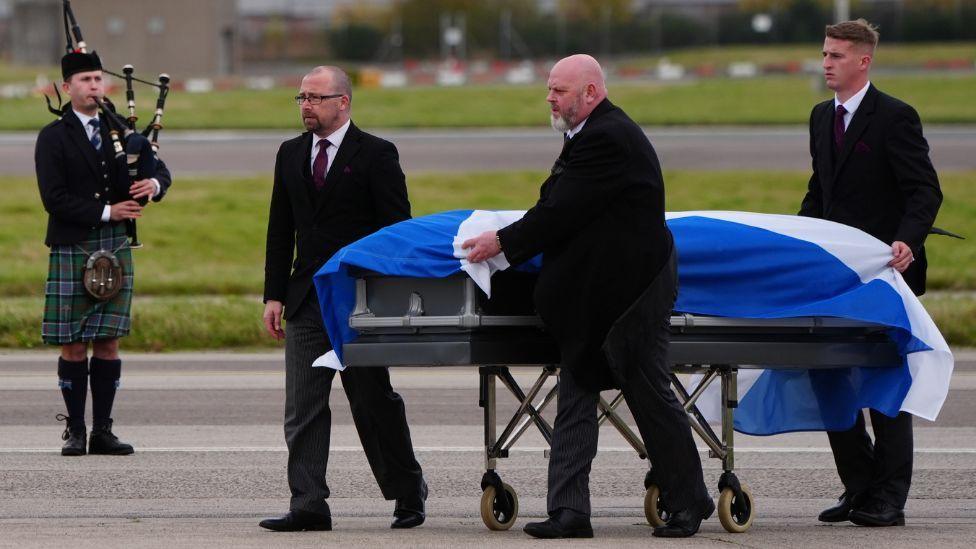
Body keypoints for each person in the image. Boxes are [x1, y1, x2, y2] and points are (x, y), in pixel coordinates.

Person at [463, 54, 712, 539]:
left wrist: (503, 242)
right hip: (594, 301)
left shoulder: (607, 138)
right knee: (576, 395)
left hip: (631, 299)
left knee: (650, 396)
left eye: (559, 90)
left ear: (591, 93)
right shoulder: (582, 136)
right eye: (550, 88)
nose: (550, 98)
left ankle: (690, 500)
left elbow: (559, 211)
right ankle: (570, 511)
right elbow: (560, 208)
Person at [260, 66, 427, 532]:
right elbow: (280, 229)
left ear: (344, 102)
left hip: (359, 301)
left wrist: (390, 294)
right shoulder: (290, 154)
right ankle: (309, 503)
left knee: (371, 400)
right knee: (303, 406)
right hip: (305, 300)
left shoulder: (376, 154)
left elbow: (398, 229)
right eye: (301, 97)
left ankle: (407, 490)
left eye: (316, 97)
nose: (306, 105)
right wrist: (274, 294)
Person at [799, 19, 942, 527]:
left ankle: (889, 497)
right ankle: (859, 486)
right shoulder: (821, 116)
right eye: (824, 54)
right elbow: (821, 191)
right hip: (835, 274)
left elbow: (924, 192)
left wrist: (907, 241)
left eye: (837, 55)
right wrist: (796, 240)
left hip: (885, 272)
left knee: (883, 384)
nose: (826, 63)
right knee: (830, 378)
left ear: (864, 60)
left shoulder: (895, 118)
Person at [37, 51, 172, 457]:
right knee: (74, 344)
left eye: (98, 79)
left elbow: (158, 170)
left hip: (113, 247)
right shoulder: (53, 136)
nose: (94, 86)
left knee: (108, 342)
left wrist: (153, 185)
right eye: (84, 80)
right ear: (67, 87)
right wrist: (108, 210)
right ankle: (76, 430)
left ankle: (104, 431)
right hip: (72, 243)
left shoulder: (121, 131)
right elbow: (53, 198)